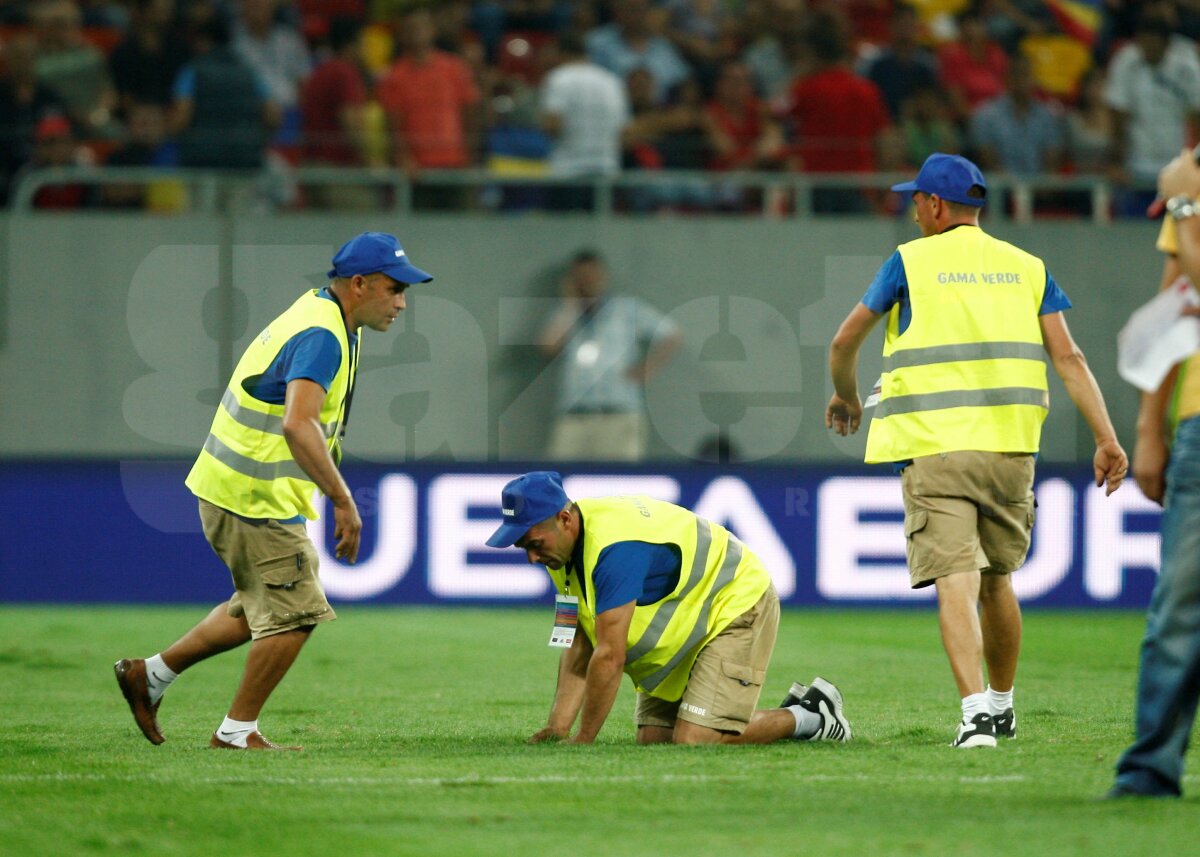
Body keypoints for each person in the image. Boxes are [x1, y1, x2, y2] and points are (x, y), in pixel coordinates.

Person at [825, 153, 1128, 749]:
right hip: (1012, 450)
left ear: (936, 205)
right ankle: (1002, 706)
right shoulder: (1026, 266)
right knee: (999, 583)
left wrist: (847, 397)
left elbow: (843, 339)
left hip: (937, 448)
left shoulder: (910, 261)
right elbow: (1069, 358)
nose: (913, 211)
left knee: (956, 581)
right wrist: (1107, 437)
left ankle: (973, 717)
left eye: (916, 200)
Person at [114, 232, 434, 750]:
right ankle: (237, 733)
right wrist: (344, 501)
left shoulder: (323, 313)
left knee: (257, 608)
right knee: (296, 614)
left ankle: (148, 676)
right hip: (251, 497)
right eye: (394, 289)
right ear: (359, 284)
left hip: (236, 488)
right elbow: (298, 425)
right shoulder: (324, 335)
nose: (401, 303)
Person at [485, 471, 852, 746]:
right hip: (694, 617)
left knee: (695, 739)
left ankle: (811, 716)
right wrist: (558, 728)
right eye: (522, 548)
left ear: (565, 519)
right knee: (655, 740)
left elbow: (609, 655)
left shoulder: (615, 549)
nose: (532, 557)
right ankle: (757, 717)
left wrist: (584, 740)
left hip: (736, 601)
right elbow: (578, 643)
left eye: (533, 543)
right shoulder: (561, 552)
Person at [1109, 148, 1200, 798]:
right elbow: (1176, 308)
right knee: (1178, 606)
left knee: (1179, 608)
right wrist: (1149, 425)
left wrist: (1186, 204)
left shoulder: (1187, 195)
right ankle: (1150, 770)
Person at [537, 249, 681, 461]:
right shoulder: (566, 313)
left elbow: (671, 333)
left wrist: (648, 367)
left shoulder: (626, 309)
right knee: (560, 482)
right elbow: (547, 346)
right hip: (575, 414)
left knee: (619, 486)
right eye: (581, 277)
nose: (587, 281)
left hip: (619, 412)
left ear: (602, 276)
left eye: (591, 275)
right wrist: (570, 304)